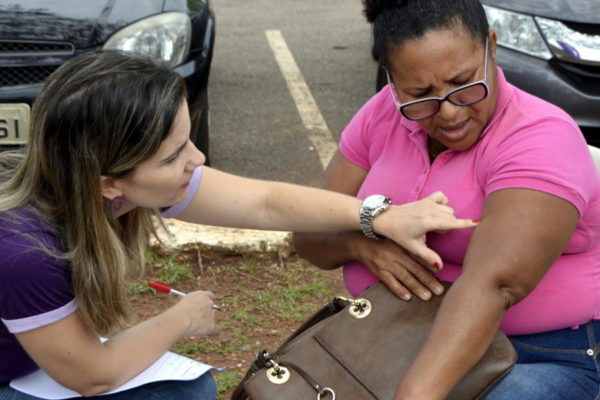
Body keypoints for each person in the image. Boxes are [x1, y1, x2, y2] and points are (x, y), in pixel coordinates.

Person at [0, 50, 477, 400]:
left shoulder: (96, 189)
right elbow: (93, 375)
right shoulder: (25, 254)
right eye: (174, 157)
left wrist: (379, 215)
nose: (198, 159)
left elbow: (266, 203)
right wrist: (182, 318)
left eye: (188, 140)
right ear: (110, 183)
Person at [293, 0, 600, 399]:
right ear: (391, 78)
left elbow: (494, 283)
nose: (449, 112)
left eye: (464, 82)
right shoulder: (384, 114)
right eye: (420, 93)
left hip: (535, 353)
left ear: (491, 46)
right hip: (389, 338)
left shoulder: (540, 137)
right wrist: (361, 244)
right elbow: (308, 234)